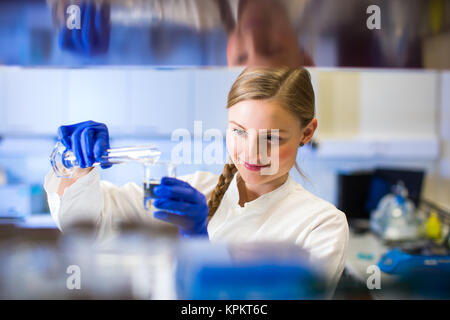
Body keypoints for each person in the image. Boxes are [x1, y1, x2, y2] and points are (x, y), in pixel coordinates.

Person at [44, 67, 348, 293]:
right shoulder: (193, 190)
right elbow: (88, 223)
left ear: (307, 133)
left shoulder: (321, 224)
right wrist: (75, 164)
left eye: (271, 138)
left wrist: (200, 243)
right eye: (239, 131)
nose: (251, 153)